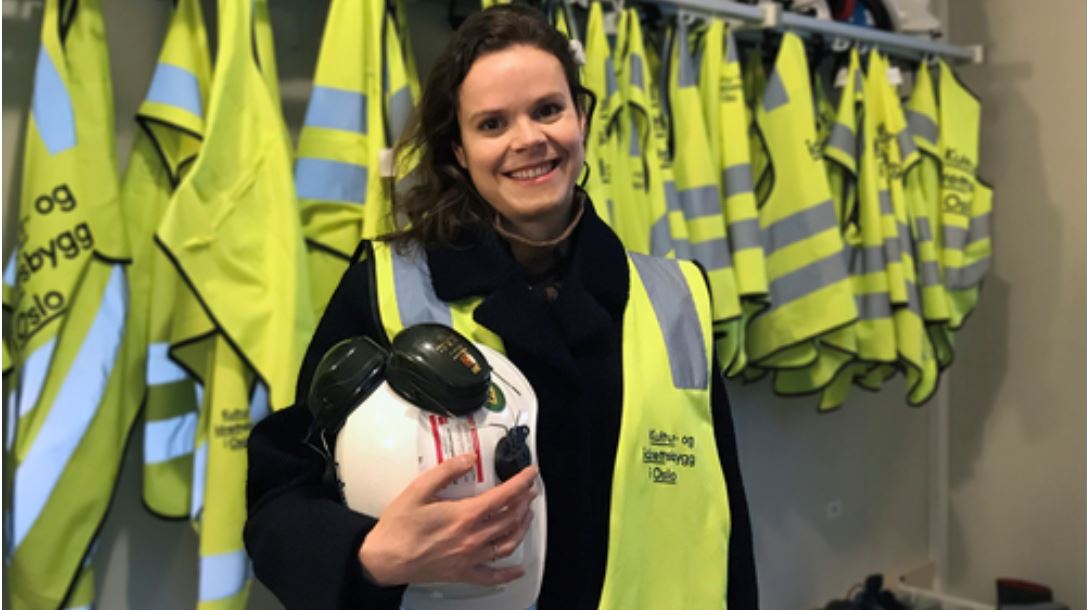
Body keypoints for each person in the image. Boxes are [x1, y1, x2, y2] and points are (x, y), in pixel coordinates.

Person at [244, 4, 758, 609]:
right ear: (459, 150)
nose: (528, 140)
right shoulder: (385, 291)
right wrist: (366, 555)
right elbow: (281, 495)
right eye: (492, 124)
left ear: (582, 117)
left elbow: (727, 527)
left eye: (548, 110)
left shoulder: (678, 298)